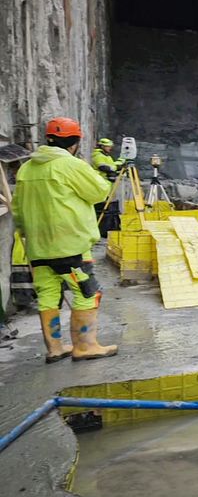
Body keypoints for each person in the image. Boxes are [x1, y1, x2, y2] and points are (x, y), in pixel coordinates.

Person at [12, 117, 118, 363]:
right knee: (87, 293)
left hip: (38, 246)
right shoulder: (70, 165)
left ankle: (55, 348)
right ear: (74, 142)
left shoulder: (27, 168)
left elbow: (17, 209)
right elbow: (99, 192)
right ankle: (85, 346)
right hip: (69, 245)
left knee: (48, 295)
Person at [91, 138, 124, 237]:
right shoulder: (97, 155)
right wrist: (115, 168)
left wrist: (122, 161)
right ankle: (100, 228)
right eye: (108, 146)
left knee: (106, 204)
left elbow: (112, 166)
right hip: (100, 184)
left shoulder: (107, 157)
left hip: (107, 185)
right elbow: (104, 167)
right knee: (101, 206)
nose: (110, 148)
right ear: (102, 146)